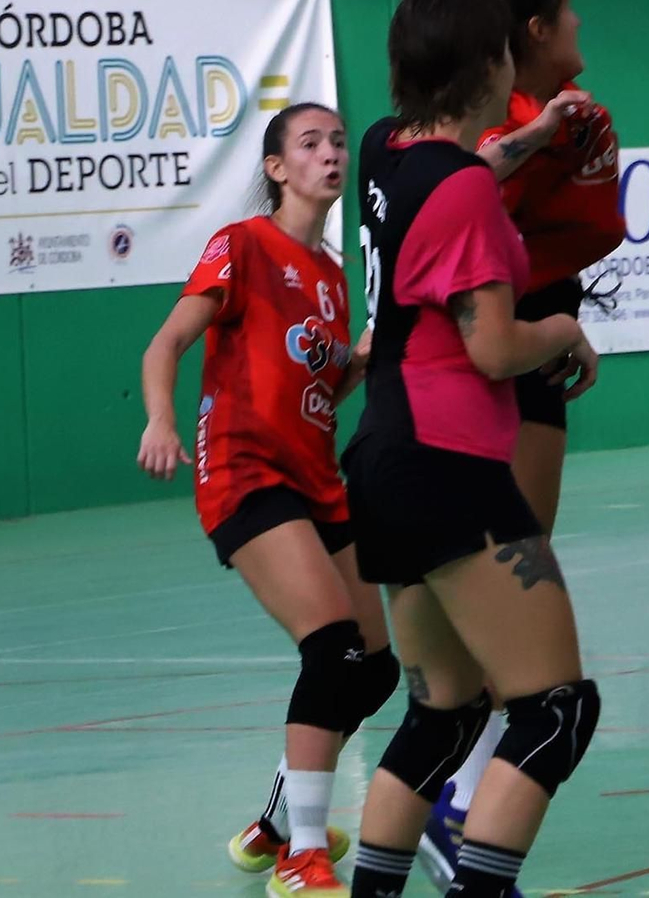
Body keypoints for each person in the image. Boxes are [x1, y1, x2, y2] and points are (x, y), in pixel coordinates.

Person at [418, 0, 626, 891]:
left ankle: (442, 770)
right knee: (505, 558)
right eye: (569, 11)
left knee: (508, 550)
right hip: (503, 342)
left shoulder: (529, 45)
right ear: (532, 34)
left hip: (549, 331)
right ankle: (456, 783)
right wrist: (533, 139)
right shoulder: (499, 121)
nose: (578, 11)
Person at [342, 0, 603, 898]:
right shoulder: (469, 203)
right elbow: (494, 346)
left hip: (382, 460)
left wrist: (529, 140)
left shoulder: (382, 153)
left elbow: (451, 171)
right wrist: (564, 332)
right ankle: (480, 888)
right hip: (448, 464)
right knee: (556, 710)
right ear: (493, 63)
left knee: (441, 713)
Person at [138, 103, 396, 898]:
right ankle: (304, 853)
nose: (330, 154)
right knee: (330, 647)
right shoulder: (244, 246)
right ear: (278, 168)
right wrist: (161, 417)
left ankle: (275, 823)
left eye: (338, 143)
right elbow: (168, 341)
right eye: (310, 144)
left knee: (377, 668)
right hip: (246, 473)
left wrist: (358, 362)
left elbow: (319, 387)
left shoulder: (331, 277)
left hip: (317, 479)